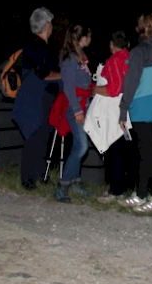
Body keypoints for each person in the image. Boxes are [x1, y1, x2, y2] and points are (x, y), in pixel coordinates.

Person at [117, 13, 152, 213]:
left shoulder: (140, 51)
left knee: (147, 152)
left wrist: (123, 109)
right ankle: (141, 193)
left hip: (142, 103)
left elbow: (131, 82)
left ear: (142, 28)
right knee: (146, 150)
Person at [12, 8, 61, 191]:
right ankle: (28, 179)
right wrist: (64, 75)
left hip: (40, 98)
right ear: (46, 25)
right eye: (51, 24)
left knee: (41, 137)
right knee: (35, 137)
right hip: (36, 99)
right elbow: (44, 74)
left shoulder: (33, 45)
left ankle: (40, 175)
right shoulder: (38, 46)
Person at [90, 31, 136, 204]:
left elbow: (113, 89)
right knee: (124, 150)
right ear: (128, 44)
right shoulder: (131, 59)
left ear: (111, 45)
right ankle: (123, 188)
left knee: (114, 148)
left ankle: (115, 190)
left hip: (114, 111)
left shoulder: (114, 61)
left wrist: (94, 89)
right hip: (129, 110)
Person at [54, 24, 93, 202]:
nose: (91, 39)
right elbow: (68, 86)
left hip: (84, 104)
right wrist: (77, 110)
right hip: (74, 106)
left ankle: (75, 182)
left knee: (79, 145)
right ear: (83, 37)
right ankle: (62, 185)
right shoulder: (70, 58)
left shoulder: (80, 58)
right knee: (81, 146)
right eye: (89, 36)